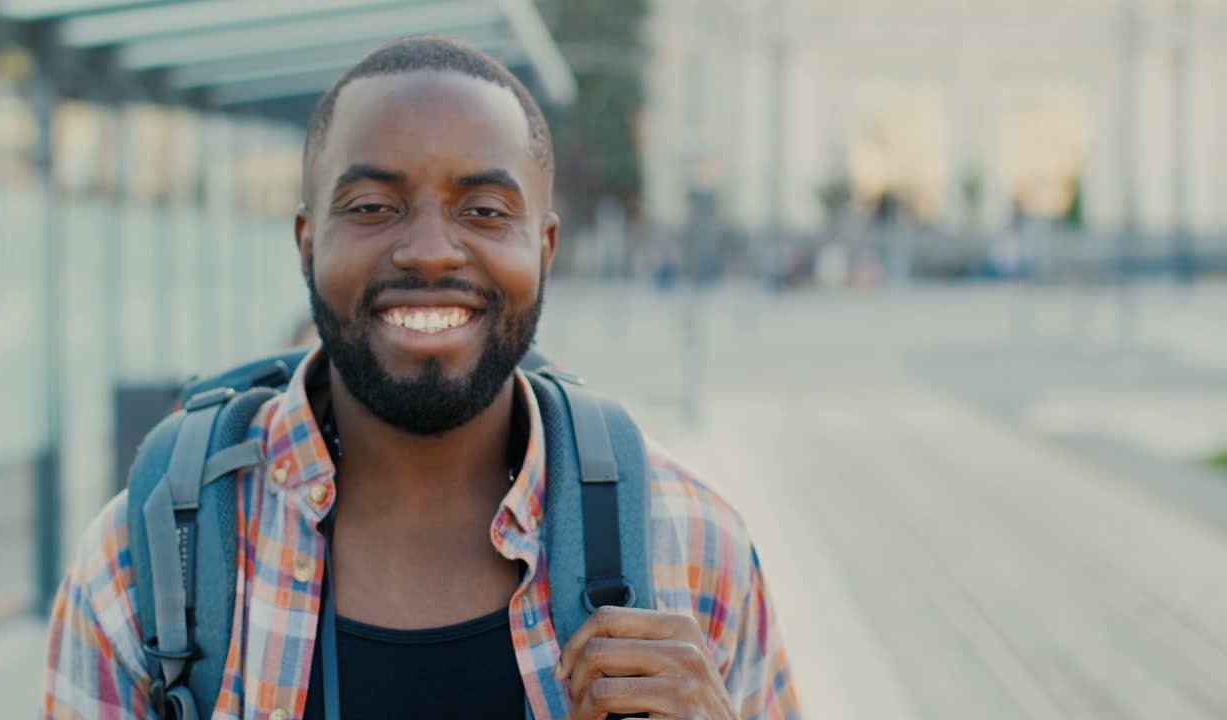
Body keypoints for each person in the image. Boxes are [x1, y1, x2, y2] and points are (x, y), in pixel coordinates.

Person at [42, 35, 799, 720]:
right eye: (374, 206)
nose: (431, 251)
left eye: (484, 209)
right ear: (307, 243)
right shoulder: (144, 565)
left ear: (546, 246)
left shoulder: (692, 547)